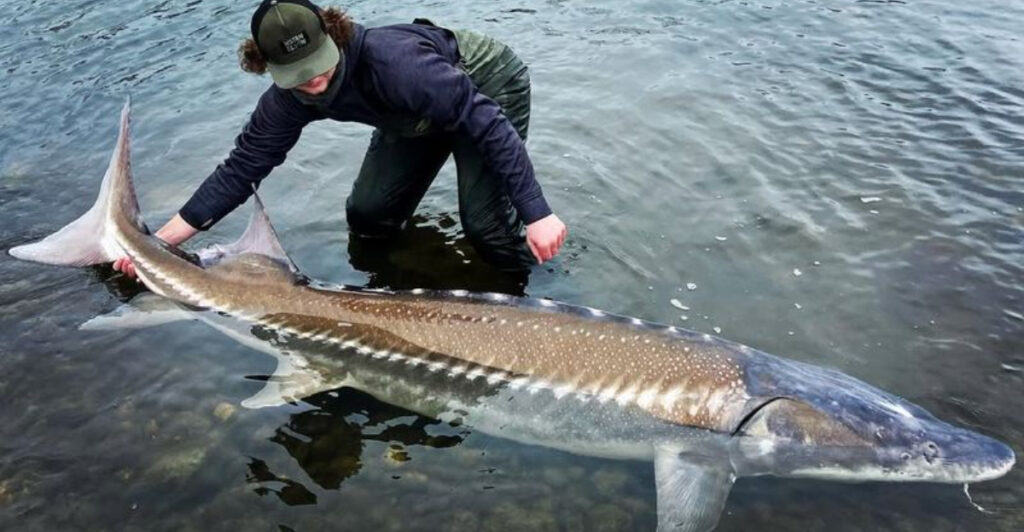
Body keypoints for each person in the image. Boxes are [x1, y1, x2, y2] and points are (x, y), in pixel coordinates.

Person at [116, 0, 566, 278]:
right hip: (411, 115)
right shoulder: (287, 101)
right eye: (296, 74)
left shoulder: (396, 64)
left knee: (486, 228)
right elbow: (239, 171)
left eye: (318, 64)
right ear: (266, 66)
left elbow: (485, 122)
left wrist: (538, 214)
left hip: (485, 85)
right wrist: (160, 245)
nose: (313, 81)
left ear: (332, 34)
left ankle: (543, 289)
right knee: (367, 216)